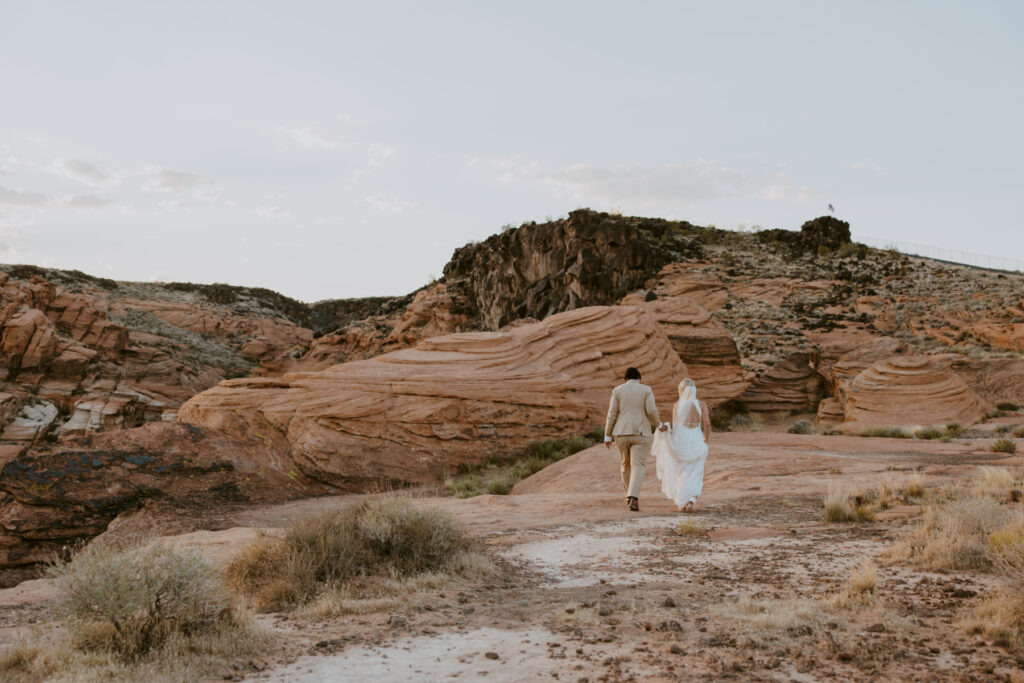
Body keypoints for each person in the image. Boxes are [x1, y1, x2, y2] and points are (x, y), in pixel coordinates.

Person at [604, 367, 668, 512]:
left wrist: (607, 435)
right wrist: (659, 425)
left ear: (625, 379)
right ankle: (633, 497)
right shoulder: (646, 390)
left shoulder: (617, 390)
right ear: (639, 378)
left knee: (625, 464)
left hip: (620, 434)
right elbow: (651, 410)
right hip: (641, 433)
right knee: (638, 464)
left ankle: (628, 497)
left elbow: (611, 414)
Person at [652, 378, 711, 512]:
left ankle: (683, 500)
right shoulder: (701, 404)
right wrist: (706, 439)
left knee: (681, 471)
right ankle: (692, 498)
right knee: (696, 470)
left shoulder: (676, 405)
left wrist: (669, 436)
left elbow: (675, 425)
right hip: (696, 438)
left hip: (681, 439)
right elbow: (707, 423)